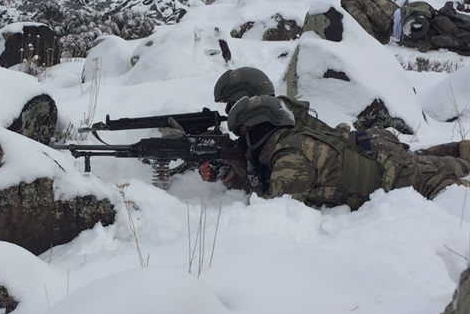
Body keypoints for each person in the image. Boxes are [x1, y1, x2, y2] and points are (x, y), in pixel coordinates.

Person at [200, 67, 470, 193]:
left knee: (442, 177)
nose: (228, 112)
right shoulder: (279, 116)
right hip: (369, 148)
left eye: (231, 105)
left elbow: (279, 185)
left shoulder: (282, 128)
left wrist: (235, 172)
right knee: (431, 160)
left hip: (378, 161)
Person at [217, 95, 470, 210]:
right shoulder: (291, 140)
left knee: (450, 186)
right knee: (436, 160)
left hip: (402, 179)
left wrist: (241, 170)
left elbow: (275, 210)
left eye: (243, 134)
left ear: (257, 128)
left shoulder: (290, 157)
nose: (242, 141)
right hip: (380, 153)